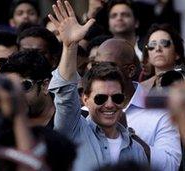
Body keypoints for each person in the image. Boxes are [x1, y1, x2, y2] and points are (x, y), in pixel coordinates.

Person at [47, 1, 148, 171]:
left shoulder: (137, 150)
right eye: (100, 98)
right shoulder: (73, 130)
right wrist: (70, 46)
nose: (109, 104)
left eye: (116, 97)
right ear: (85, 99)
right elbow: (64, 92)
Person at [94, 38, 181, 171]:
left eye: (109, 67)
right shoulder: (88, 110)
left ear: (130, 70)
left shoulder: (160, 112)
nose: (100, 73)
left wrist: (127, 136)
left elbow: (171, 165)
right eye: (97, 66)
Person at [0, 50, 55, 131]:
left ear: (45, 85)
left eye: (24, 86)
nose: (17, 94)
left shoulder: (72, 121)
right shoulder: (4, 125)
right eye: (10, 87)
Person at [141, 23, 185, 94]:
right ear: (148, 56)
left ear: (177, 53)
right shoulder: (140, 89)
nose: (158, 48)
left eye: (164, 43)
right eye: (152, 45)